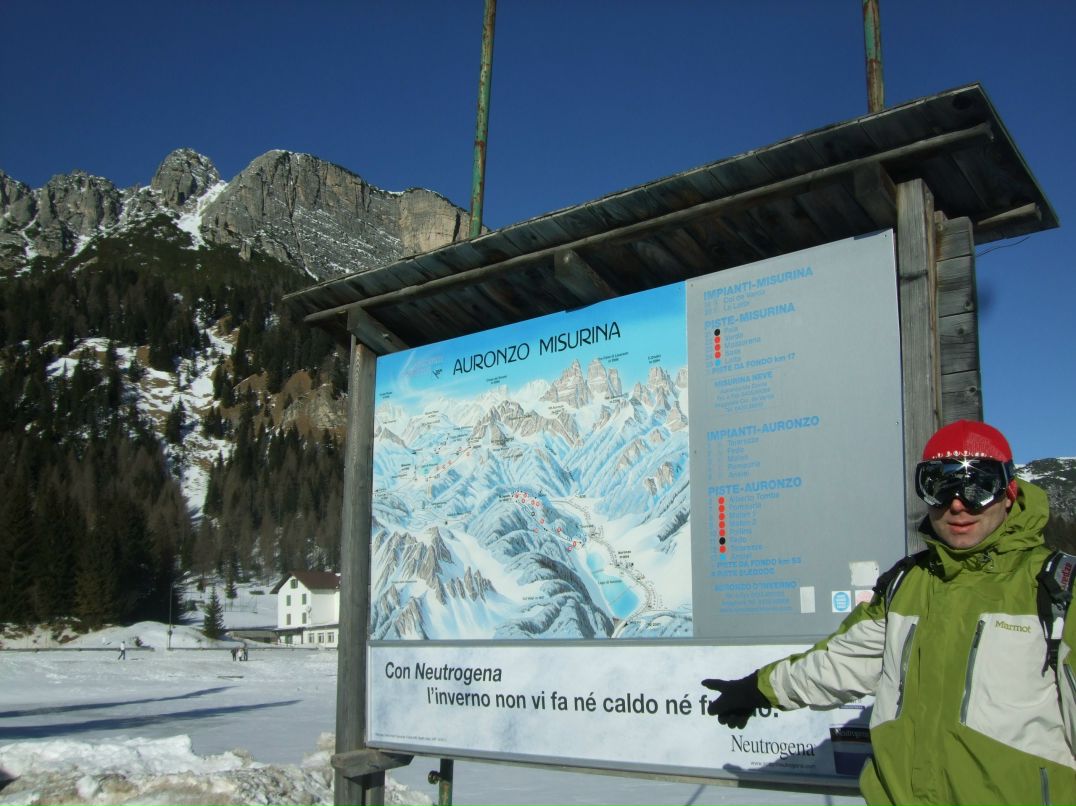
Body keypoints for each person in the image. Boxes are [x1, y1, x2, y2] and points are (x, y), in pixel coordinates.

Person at [702, 420, 1075, 805]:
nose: (958, 504)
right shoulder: (906, 584)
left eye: (979, 485)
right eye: (939, 486)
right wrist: (759, 689)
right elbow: (843, 661)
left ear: (1009, 491)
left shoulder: (1057, 590)